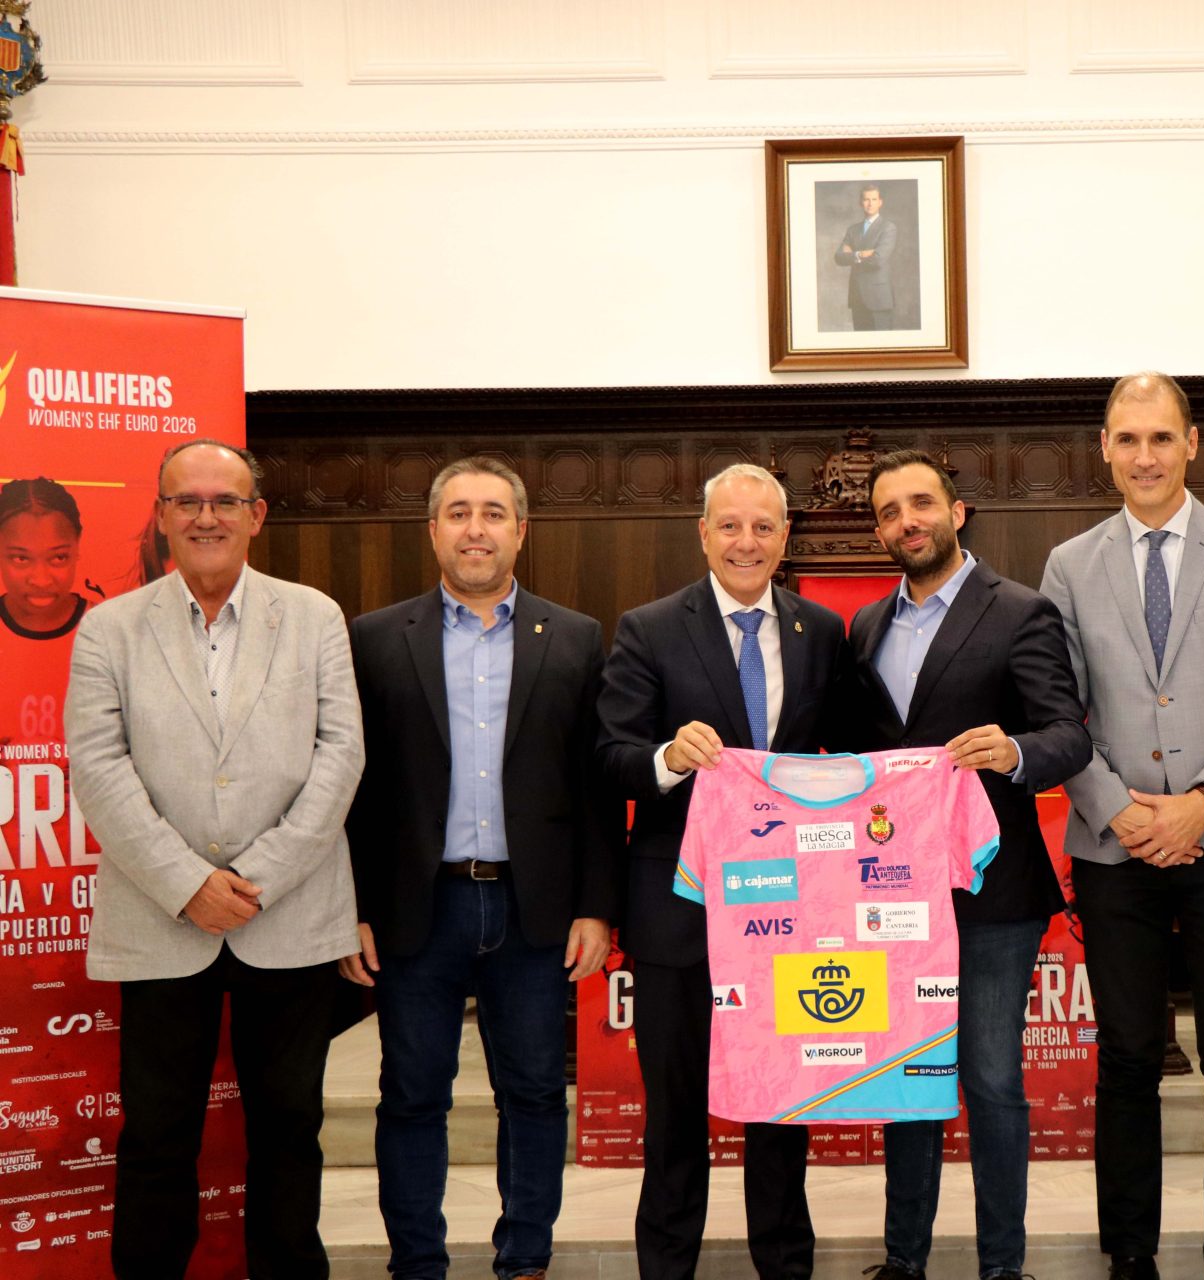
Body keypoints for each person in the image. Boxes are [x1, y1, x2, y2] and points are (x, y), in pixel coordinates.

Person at [65, 438, 365, 1278]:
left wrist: (256, 879)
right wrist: (188, 883)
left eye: (225, 501)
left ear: (256, 515)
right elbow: (98, 766)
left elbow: (341, 755)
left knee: (289, 1128)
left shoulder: (314, 616)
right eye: (187, 501)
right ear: (161, 517)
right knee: (157, 1133)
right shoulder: (109, 629)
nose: (207, 517)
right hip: (159, 919)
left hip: (290, 916)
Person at [1037, 372, 1204, 1280]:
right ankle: (1130, 1255)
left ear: (1192, 443)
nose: (1144, 455)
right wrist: (1119, 809)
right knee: (1126, 1055)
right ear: (1104, 450)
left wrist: (1203, 801)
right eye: (1127, 439)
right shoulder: (1070, 564)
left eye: (1160, 437)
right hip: (1115, 847)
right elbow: (1060, 712)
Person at [339, 457, 622, 1280]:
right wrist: (351, 906)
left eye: (493, 513)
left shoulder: (575, 636)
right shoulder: (374, 638)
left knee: (533, 1093)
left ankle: (524, 1259)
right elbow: (352, 787)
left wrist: (596, 905)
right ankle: (416, 1264)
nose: (475, 529)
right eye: (458, 513)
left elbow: (594, 784)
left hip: (534, 909)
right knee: (411, 1096)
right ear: (432, 531)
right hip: (415, 908)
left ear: (521, 531)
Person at [597, 463, 849, 1280]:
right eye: (730, 526)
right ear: (703, 534)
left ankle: (785, 1263)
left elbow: (851, 757)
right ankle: (667, 1267)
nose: (747, 542)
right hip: (681, 910)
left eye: (763, 527)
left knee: (782, 1105)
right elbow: (611, 755)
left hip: (788, 914)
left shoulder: (821, 631)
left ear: (785, 538)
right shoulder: (648, 629)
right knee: (675, 1112)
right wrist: (669, 758)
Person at [843, 448, 1091, 1280]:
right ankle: (903, 1260)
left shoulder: (1020, 611)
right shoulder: (866, 626)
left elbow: (1068, 735)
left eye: (921, 504)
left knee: (989, 1080)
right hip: (893, 890)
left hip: (993, 889)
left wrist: (1014, 750)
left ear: (957, 513)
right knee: (906, 1081)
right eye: (888, 511)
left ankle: (1002, 1267)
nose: (906, 521)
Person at [0, 475, 90, 640]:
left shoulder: (108, 628)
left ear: (77, 544)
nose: (41, 581)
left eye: (59, 558)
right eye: (21, 559)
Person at [834, 184, 897, 330]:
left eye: (874, 199)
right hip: (857, 297)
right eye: (866, 199)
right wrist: (860, 254)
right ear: (860, 202)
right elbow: (838, 257)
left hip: (879, 298)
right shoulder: (853, 230)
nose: (870, 203)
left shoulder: (888, 228)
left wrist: (852, 255)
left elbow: (878, 260)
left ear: (880, 202)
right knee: (860, 342)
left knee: (881, 342)